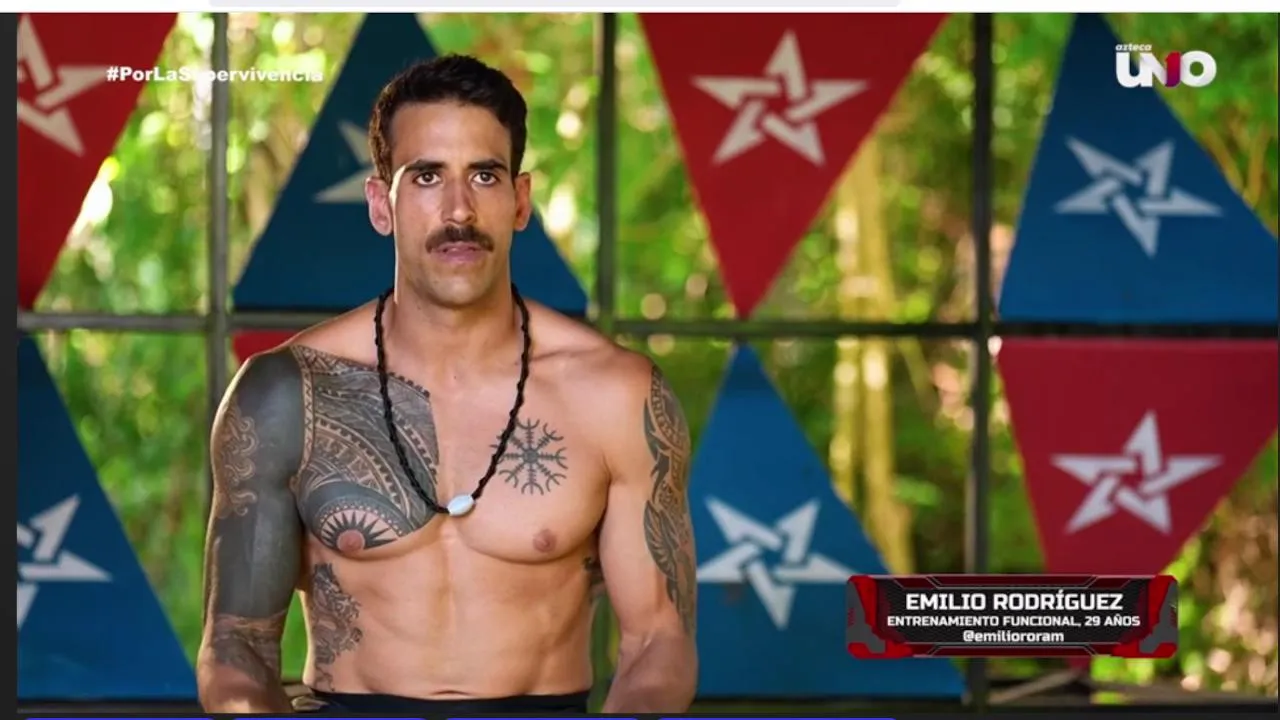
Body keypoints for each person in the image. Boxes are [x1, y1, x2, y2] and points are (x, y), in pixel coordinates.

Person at [196, 54, 698, 715]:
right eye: (427, 176)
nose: (459, 209)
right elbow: (236, 650)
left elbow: (658, 644)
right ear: (381, 204)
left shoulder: (614, 394)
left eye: (484, 175)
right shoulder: (287, 391)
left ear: (520, 201)